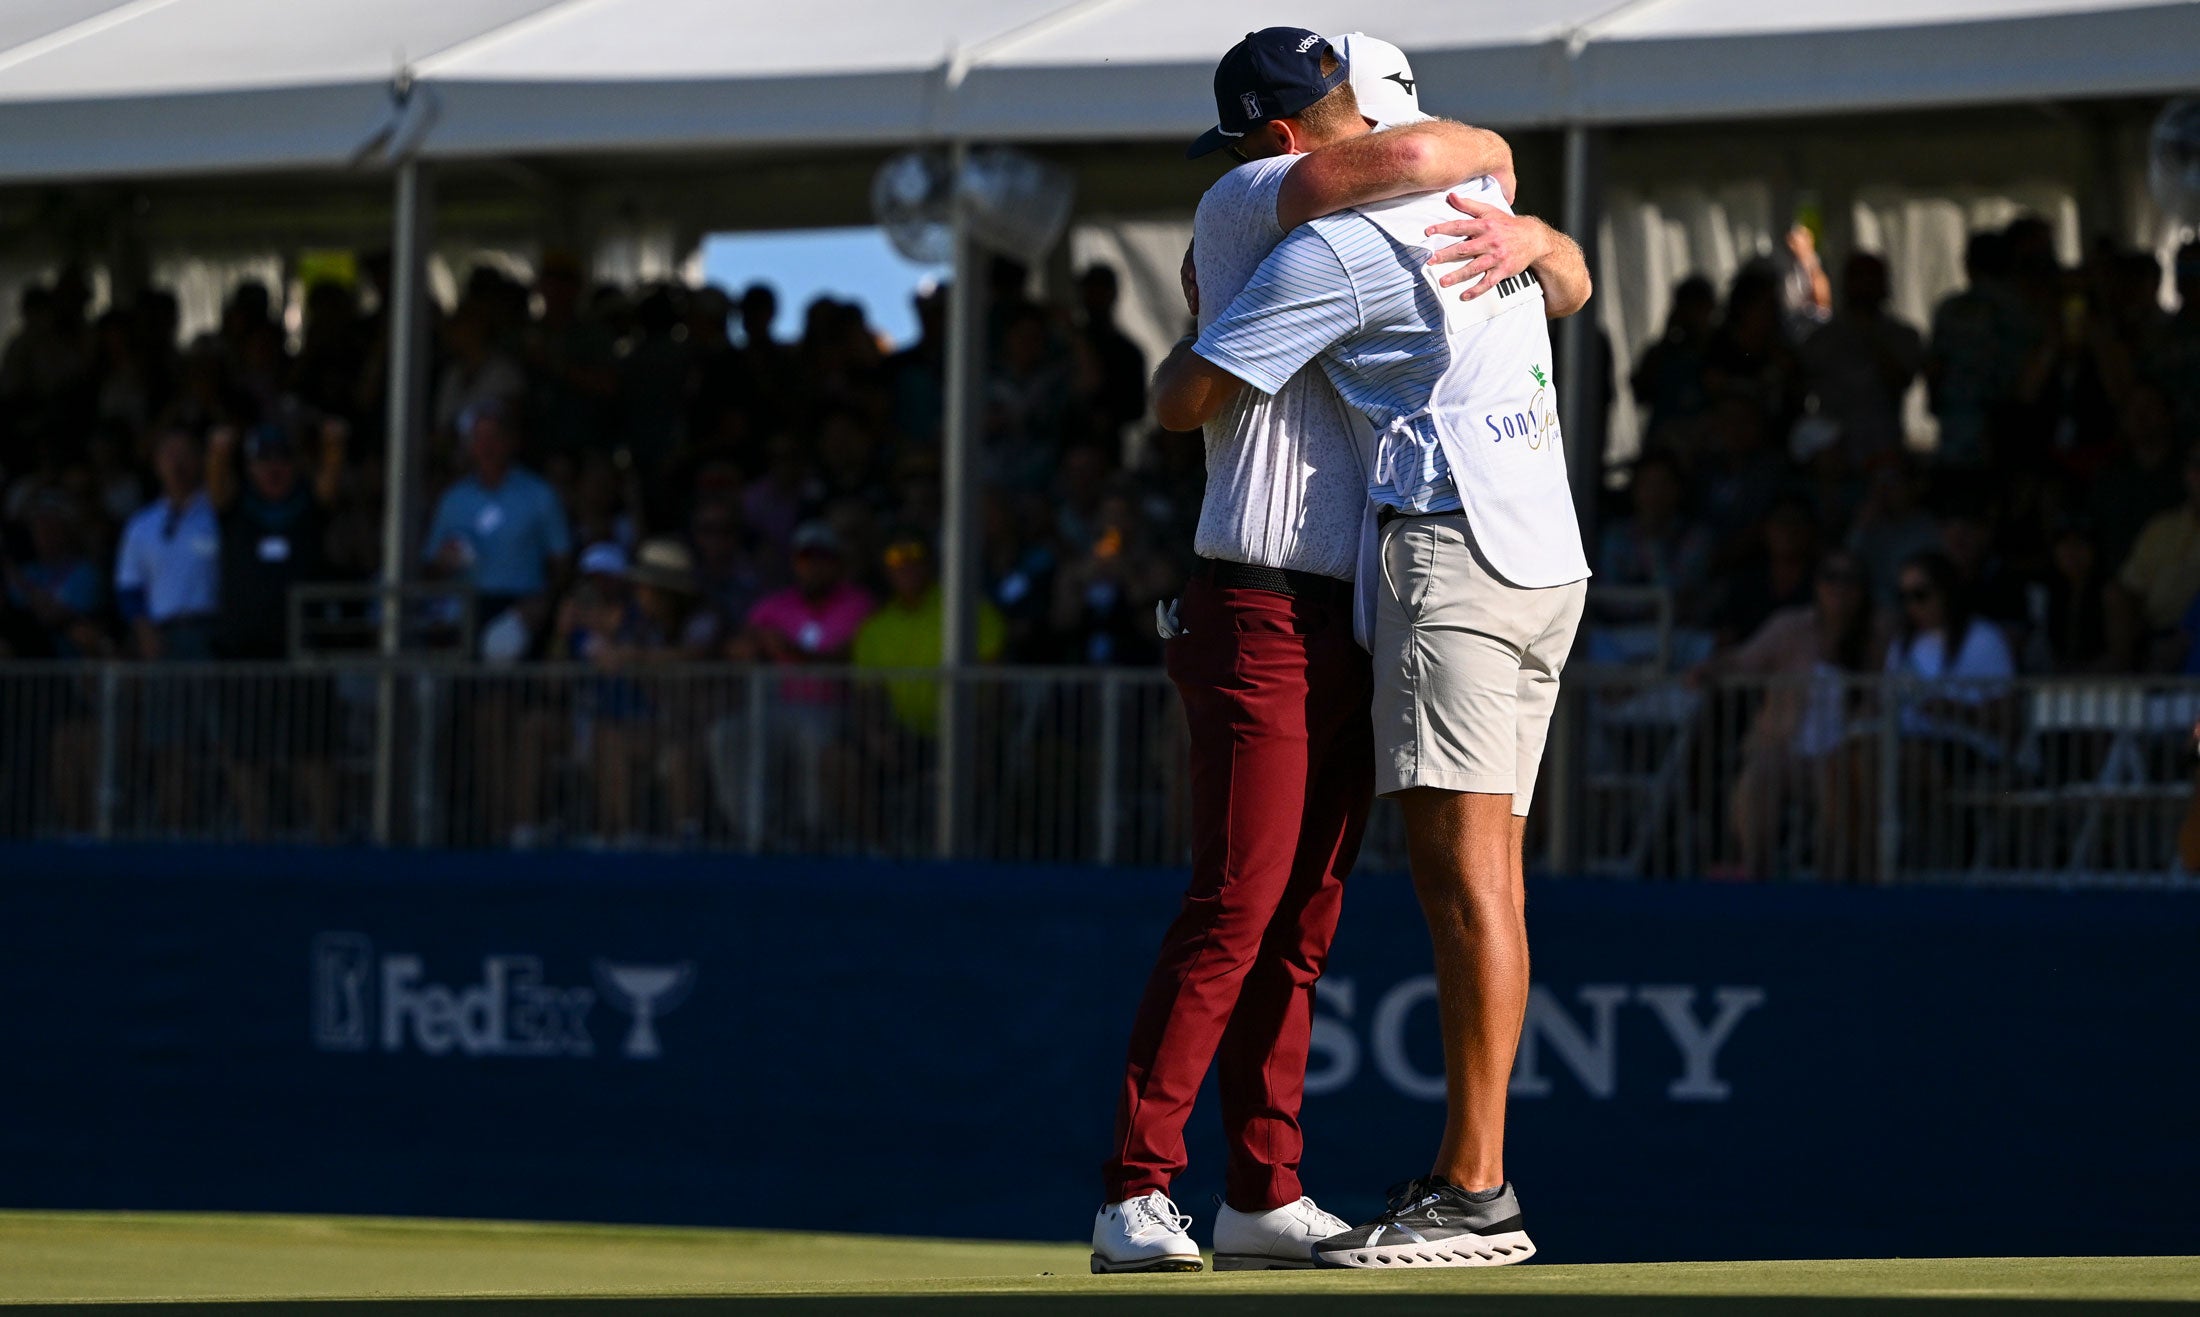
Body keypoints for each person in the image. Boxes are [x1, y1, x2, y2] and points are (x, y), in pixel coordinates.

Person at [1146, 27, 1592, 1272]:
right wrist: (1534, 219)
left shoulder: (1335, 243)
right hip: (1548, 558)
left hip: (1449, 558)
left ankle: (1475, 1189)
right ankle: (1477, 1175)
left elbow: (1189, 399)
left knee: (1455, 890)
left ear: (1293, 134)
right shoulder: (1490, 199)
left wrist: (1200, 329)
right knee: (1491, 885)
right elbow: (1570, 281)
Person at [207, 420, 346, 841]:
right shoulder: (235, 505)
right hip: (243, 648)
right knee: (244, 750)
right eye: (263, 460)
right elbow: (216, 483)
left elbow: (329, 481)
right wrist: (219, 450)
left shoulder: (308, 503)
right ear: (249, 467)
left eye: (282, 459)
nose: (273, 468)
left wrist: (331, 444)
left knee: (313, 747)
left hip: (303, 649)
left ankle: (325, 835)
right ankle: (255, 834)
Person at [114, 426, 222, 830]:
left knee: (225, 735)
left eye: (185, 454)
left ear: (199, 462)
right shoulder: (141, 525)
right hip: (162, 638)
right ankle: (177, 825)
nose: (177, 464)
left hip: (209, 635)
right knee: (167, 741)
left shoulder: (217, 514)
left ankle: (247, 828)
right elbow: (128, 588)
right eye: (168, 455)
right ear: (157, 464)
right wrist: (142, 629)